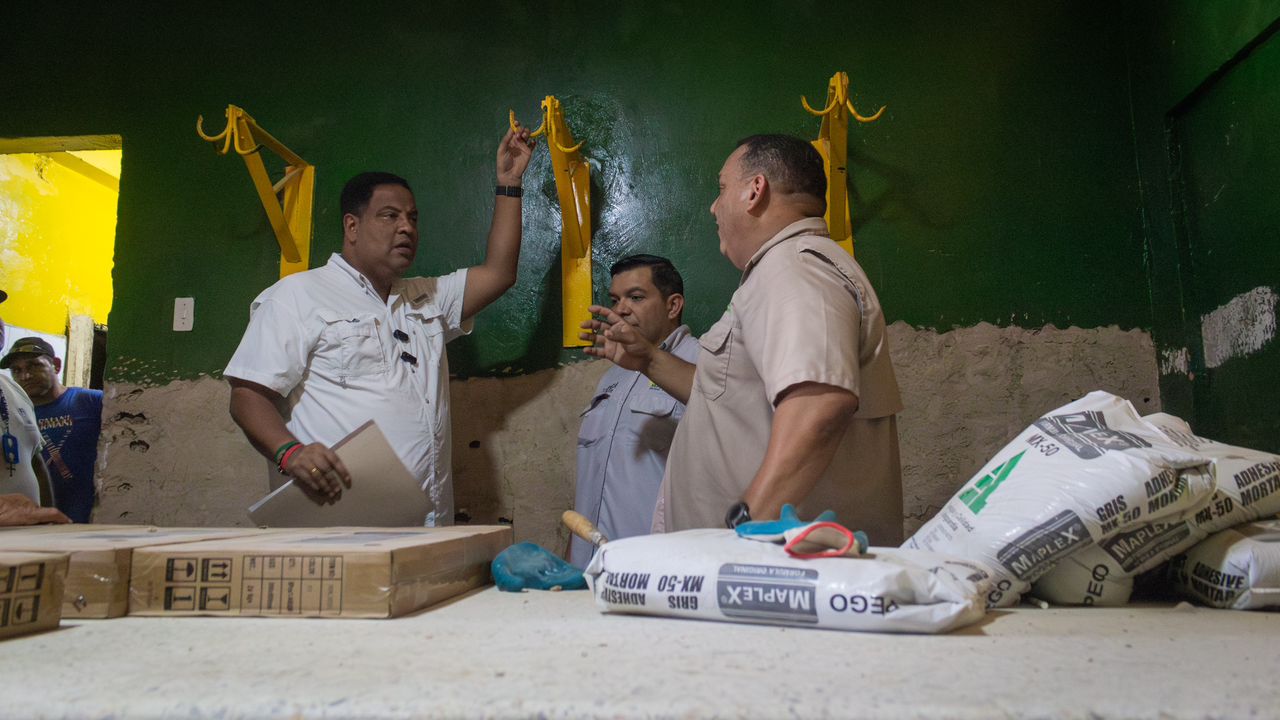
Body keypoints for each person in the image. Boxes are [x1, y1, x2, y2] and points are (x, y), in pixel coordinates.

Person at [582, 134, 905, 544]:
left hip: (770, 566)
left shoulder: (793, 269)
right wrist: (648, 358)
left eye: (721, 188)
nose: (714, 206)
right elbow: (730, 397)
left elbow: (819, 405)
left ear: (755, 190)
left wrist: (744, 530)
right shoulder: (780, 271)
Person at [225, 128, 533, 525]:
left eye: (413, 218)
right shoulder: (297, 296)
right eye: (390, 216)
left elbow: (499, 273)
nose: (406, 227)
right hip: (341, 524)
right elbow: (247, 395)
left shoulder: (425, 298)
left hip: (427, 525)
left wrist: (509, 183)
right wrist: (290, 452)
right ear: (352, 227)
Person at [570, 255, 700, 568]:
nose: (621, 309)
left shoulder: (703, 364)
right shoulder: (614, 375)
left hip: (658, 568)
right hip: (591, 566)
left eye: (636, 297)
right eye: (615, 299)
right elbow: (592, 480)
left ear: (673, 306)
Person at [1, 337, 103, 523]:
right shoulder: (15, 414)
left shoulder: (92, 402)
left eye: (34, 366)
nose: (25, 376)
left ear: (56, 365)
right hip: (35, 524)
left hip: (94, 519)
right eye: (16, 370)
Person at [0, 298, 58, 513]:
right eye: (17, 369)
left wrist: (48, 518)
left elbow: (36, 462)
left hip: (29, 530)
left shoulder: (14, 389)